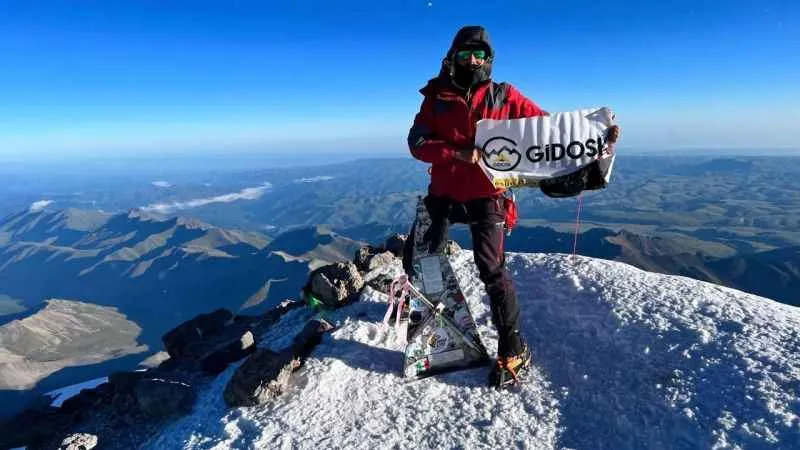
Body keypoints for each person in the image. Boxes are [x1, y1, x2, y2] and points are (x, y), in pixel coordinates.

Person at [403, 25, 619, 388]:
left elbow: (551, 133)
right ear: (452, 57)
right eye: (465, 54)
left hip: (489, 194)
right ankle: (427, 318)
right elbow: (417, 141)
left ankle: (513, 346)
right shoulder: (436, 97)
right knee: (419, 256)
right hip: (445, 189)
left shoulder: (504, 96)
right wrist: (455, 153)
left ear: (490, 59)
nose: (473, 61)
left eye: (480, 55)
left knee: (491, 268)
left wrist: (598, 140)